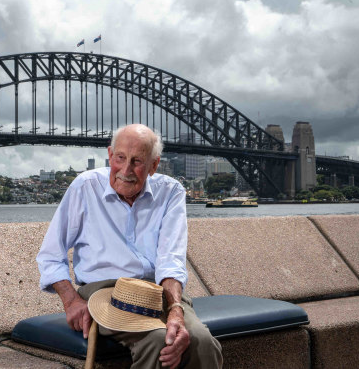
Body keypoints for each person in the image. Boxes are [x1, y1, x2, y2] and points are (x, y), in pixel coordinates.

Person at [37, 124, 222, 369]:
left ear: (154, 166)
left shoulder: (171, 192)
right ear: (110, 155)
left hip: (156, 293)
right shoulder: (85, 187)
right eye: (120, 158)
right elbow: (51, 254)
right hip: (103, 293)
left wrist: (176, 309)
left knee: (201, 341)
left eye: (137, 161)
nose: (126, 170)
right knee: (158, 341)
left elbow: (171, 259)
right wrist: (71, 302)